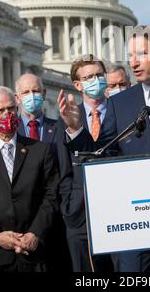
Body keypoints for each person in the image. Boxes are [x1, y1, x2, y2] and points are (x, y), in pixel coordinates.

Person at [58, 26, 150, 272]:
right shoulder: (119, 104)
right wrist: (76, 130)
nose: (133, 62)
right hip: (137, 225)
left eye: (141, 54)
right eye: (130, 56)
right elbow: (102, 158)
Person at [0, 86, 59, 272]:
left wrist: (35, 233)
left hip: (34, 255)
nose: (7, 114)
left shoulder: (41, 150)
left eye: (11, 108)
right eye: (0, 110)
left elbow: (51, 195)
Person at [60, 55, 114, 272]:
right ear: (78, 84)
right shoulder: (67, 117)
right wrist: (69, 206)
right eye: (89, 77)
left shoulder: (122, 112)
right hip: (79, 214)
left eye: (99, 75)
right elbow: (63, 169)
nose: (95, 80)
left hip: (118, 208)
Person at [14, 73, 72, 271]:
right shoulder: (9, 133)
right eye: (26, 92)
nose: (32, 95)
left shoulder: (58, 128)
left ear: (45, 93)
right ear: (17, 98)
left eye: (36, 91)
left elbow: (65, 171)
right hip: (21, 225)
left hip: (55, 221)